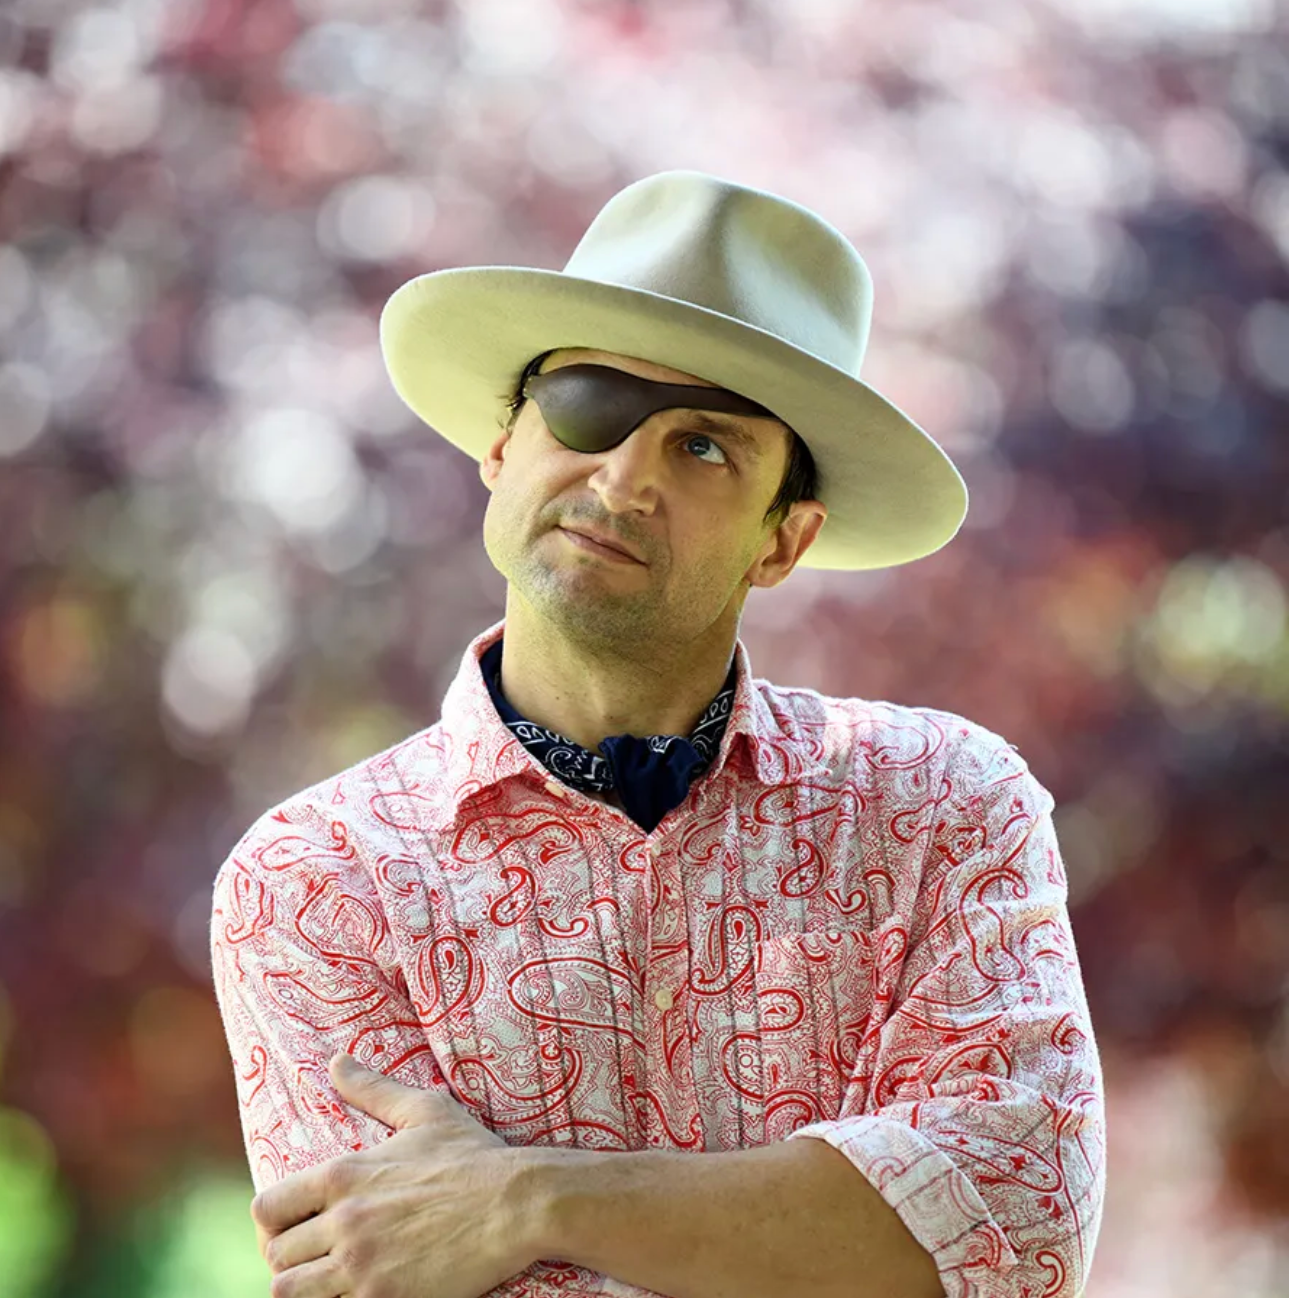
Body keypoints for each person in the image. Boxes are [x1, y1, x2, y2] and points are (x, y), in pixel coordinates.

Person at [209, 172, 1105, 1298]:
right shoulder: (313, 882)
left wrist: (524, 1198)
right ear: (502, 448)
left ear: (783, 540)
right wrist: (842, 1231)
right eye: (589, 404)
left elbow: (1017, 1222)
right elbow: (383, 1273)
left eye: (704, 447)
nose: (624, 477)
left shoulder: (944, 805)